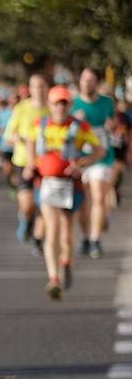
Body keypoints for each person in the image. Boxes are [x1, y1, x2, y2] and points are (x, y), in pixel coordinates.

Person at [23, 85, 101, 299]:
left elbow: (99, 150)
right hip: (47, 184)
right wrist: (30, 163)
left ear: (70, 105)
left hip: (71, 186)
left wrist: (82, 163)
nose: (60, 107)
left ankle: (66, 263)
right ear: (50, 104)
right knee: (52, 229)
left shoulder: (80, 126)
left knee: (66, 233)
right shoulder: (40, 125)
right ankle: (53, 278)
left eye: (64, 103)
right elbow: (30, 142)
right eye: (57, 103)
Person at [73, 67, 117, 259]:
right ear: (80, 82)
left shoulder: (107, 102)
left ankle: (95, 239)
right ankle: (86, 237)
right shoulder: (73, 103)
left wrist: (111, 126)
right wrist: (76, 122)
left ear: (97, 83)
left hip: (102, 155)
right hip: (80, 158)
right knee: (84, 202)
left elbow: (113, 124)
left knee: (98, 196)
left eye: (91, 80)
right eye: (84, 80)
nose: (87, 83)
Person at [4, 73, 49, 253]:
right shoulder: (21, 108)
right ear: (30, 89)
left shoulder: (53, 108)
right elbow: (8, 136)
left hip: (46, 163)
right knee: (27, 204)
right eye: (35, 86)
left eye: (42, 85)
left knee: (45, 204)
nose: (38, 89)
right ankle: (26, 219)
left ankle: (38, 239)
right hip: (23, 162)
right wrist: (17, 138)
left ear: (47, 87)